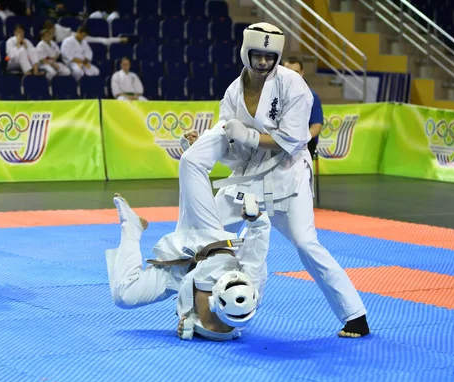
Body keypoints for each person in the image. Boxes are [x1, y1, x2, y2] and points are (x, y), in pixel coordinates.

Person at [182, 22, 369, 338]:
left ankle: (355, 315)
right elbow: (235, 150)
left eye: (270, 57)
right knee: (206, 237)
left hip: (288, 175)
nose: (264, 63)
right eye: (258, 55)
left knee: (306, 242)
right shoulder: (232, 93)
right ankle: (195, 311)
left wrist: (250, 135)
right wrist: (203, 143)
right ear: (246, 52)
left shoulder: (293, 85)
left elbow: (294, 139)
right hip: (249, 176)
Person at [106, 125, 271, 341]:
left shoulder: (213, 321)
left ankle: (132, 228)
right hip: (213, 243)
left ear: (215, 304)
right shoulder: (251, 283)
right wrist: (256, 217)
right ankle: (220, 130)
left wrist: (186, 319)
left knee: (123, 296)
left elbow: (189, 314)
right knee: (191, 163)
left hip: (182, 265)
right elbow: (259, 239)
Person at [282, 57, 323, 158]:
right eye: (288, 72)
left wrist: (300, 139)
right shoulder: (272, 94)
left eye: (295, 72)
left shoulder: (311, 96)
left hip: (303, 142)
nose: (291, 76)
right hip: (278, 140)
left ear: (302, 73)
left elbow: (316, 126)